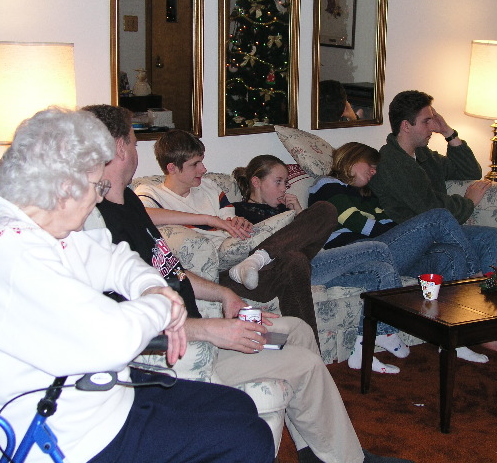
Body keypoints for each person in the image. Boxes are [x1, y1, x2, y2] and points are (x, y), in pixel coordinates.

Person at [82, 104, 413, 463]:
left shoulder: (129, 201)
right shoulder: (95, 226)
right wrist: (212, 329)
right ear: (119, 148)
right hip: (184, 353)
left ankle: (316, 450)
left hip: (207, 325)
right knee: (307, 363)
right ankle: (348, 461)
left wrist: (224, 293)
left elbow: (173, 271)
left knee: (298, 330)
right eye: (133, 142)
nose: (135, 150)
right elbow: (123, 323)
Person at [0, 107, 275, 463]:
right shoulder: (15, 258)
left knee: (237, 405)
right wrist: (164, 305)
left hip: (106, 395)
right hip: (76, 436)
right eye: (96, 186)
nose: (99, 198)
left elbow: (114, 257)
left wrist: (153, 288)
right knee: (246, 438)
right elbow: (114, 339)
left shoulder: (41, 226)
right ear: (66, 186)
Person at [309, 142, 497, 362]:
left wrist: (412, 237)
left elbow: (387, 224)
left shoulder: (368, 194)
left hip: (389, 250)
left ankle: (452, 337)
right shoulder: (326, 184)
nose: (374, 171)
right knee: (438, 217)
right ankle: (475, 276)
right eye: (370, 165)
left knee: (452, 254)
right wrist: (413, 233)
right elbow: (359, 223)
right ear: (352, 159)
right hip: (357, 255)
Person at [134, 129, 338, 340]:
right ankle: (258, 261)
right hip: (220, 277)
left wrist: (237, 222)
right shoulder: (149, 192)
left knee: (322, 216)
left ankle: (307, 352)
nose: (203, 169)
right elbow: (142, 215)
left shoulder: (211, 188)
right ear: (172, 168)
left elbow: (230, 225)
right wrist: (207, 219)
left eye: (202, 161)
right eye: (195, 164)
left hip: (247, 264)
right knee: (296, 258)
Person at [232, 154, 411, 374]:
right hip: (289, 269)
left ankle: (362, 350)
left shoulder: (287, 209)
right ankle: (385, 331)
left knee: (381, 271)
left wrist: (299, 213)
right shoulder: (237, 211)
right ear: (256, 182)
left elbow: (314, 242)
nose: (283, 189)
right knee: (377, 248)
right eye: (277, 182)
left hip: (316, 262)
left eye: (285, 183)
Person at [368, 89, 497, 272]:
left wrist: (448, 132)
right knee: (492, 237)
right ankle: (488, 296)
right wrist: (469, 202)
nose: (432, 127)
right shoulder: (390, 162)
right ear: (406, 126)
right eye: (426, 121)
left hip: (441, 233)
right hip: (417, 241)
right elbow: (430, 208)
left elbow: (470, 171)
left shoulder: (423, 156)